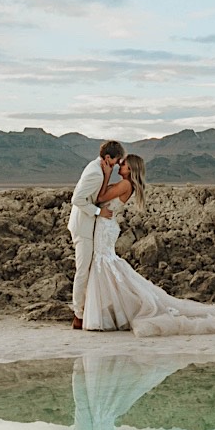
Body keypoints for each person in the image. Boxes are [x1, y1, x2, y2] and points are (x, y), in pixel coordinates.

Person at [80, 154, 215, 336]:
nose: (119, 166)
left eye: (122, 164)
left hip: (106, 226)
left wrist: (106, 173)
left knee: (104, 262)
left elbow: (100, 196)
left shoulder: (125, 184)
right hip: (106, 225)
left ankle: (111, 314)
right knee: (106, 263)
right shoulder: (126, 184)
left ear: (131, 169)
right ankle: (114, 312)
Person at [70, 140, 125, 330]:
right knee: (83, 270)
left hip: (89, 227)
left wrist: (108, 175)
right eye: (117, 160)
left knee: (89, 269)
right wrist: (97, 212)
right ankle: (78, 315)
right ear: (108, 158)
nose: (119, 165)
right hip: (83, 227)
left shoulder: (99, 169)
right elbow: (76, 199)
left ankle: (88, 310)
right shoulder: (95, 172)